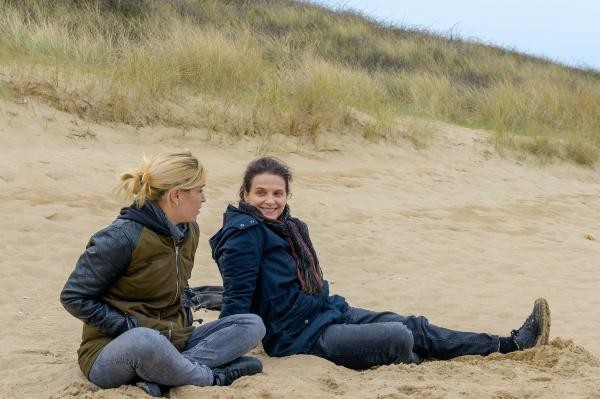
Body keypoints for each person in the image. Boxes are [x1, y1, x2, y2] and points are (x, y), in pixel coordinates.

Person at [209, 156, 551, 369]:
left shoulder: (290, 228)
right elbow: (237, 303)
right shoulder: (244, 235)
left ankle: (510, 345)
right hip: (299, 338)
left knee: (415, 326)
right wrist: (222, 356)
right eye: (261, 193)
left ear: (287, 196)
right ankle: (414, 360)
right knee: (399, 337)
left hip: (328, 311)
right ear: (245, 195)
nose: (270, 201)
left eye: (277, 193)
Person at [60, 151, 266, 397]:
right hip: (115, 349)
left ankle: (165, 375)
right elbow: (73, 297)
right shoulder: (120, 237)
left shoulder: (190, 231)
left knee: (251, 324)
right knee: (146, 340)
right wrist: (127, 325)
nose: (204, 198)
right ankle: (210, 376)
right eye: (199, 191)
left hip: (175, 339)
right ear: (176, 195)